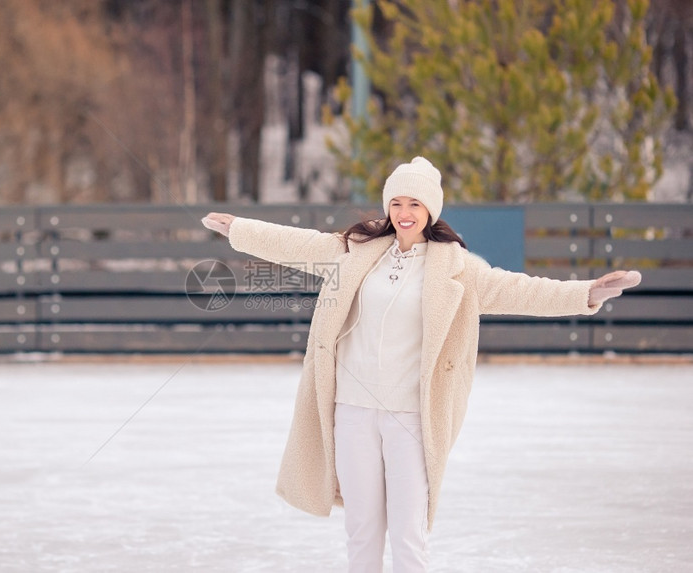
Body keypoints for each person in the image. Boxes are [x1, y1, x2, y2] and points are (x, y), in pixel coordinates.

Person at [200, 157, 640, 572]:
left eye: (414, 204)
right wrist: (240, 228)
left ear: (431, 209)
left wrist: (587, 293)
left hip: (409, 419)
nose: (404, 212)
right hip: (351, 412)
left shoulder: (458, 270)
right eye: (396, 203)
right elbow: (298, 244)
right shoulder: (358, 250)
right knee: (362, 532)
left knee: (408, 537)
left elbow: (522, 290)